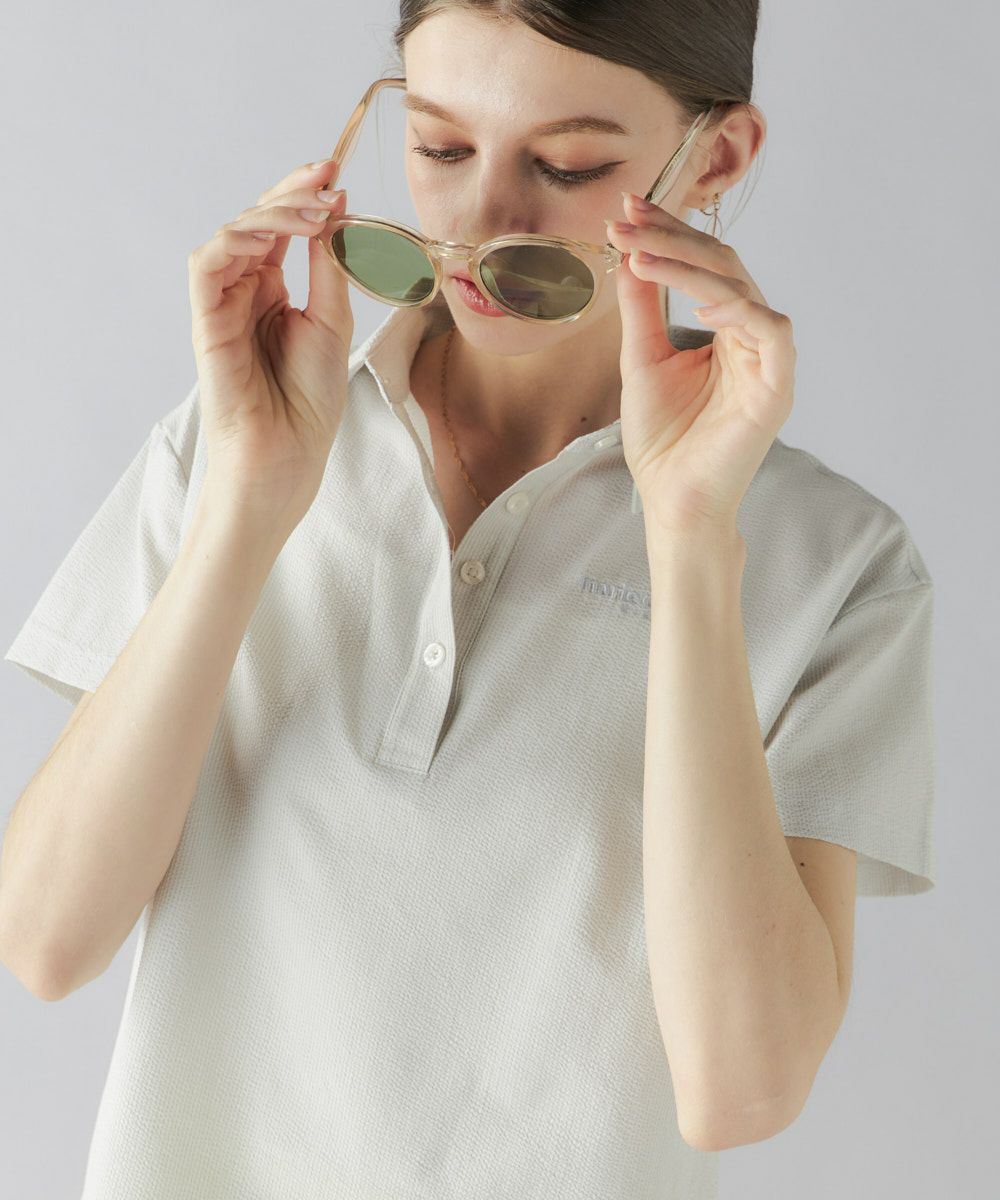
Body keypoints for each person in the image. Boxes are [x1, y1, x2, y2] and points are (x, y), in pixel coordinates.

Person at [1, 2, 935, 1197]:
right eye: (440, 146)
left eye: (568, 165)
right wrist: (250, 501)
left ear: (716, 156)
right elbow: (45, 942)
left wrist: (691, 535)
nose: (483, 220)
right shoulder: (233, 440)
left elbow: (739, 1090)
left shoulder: (837, 565)